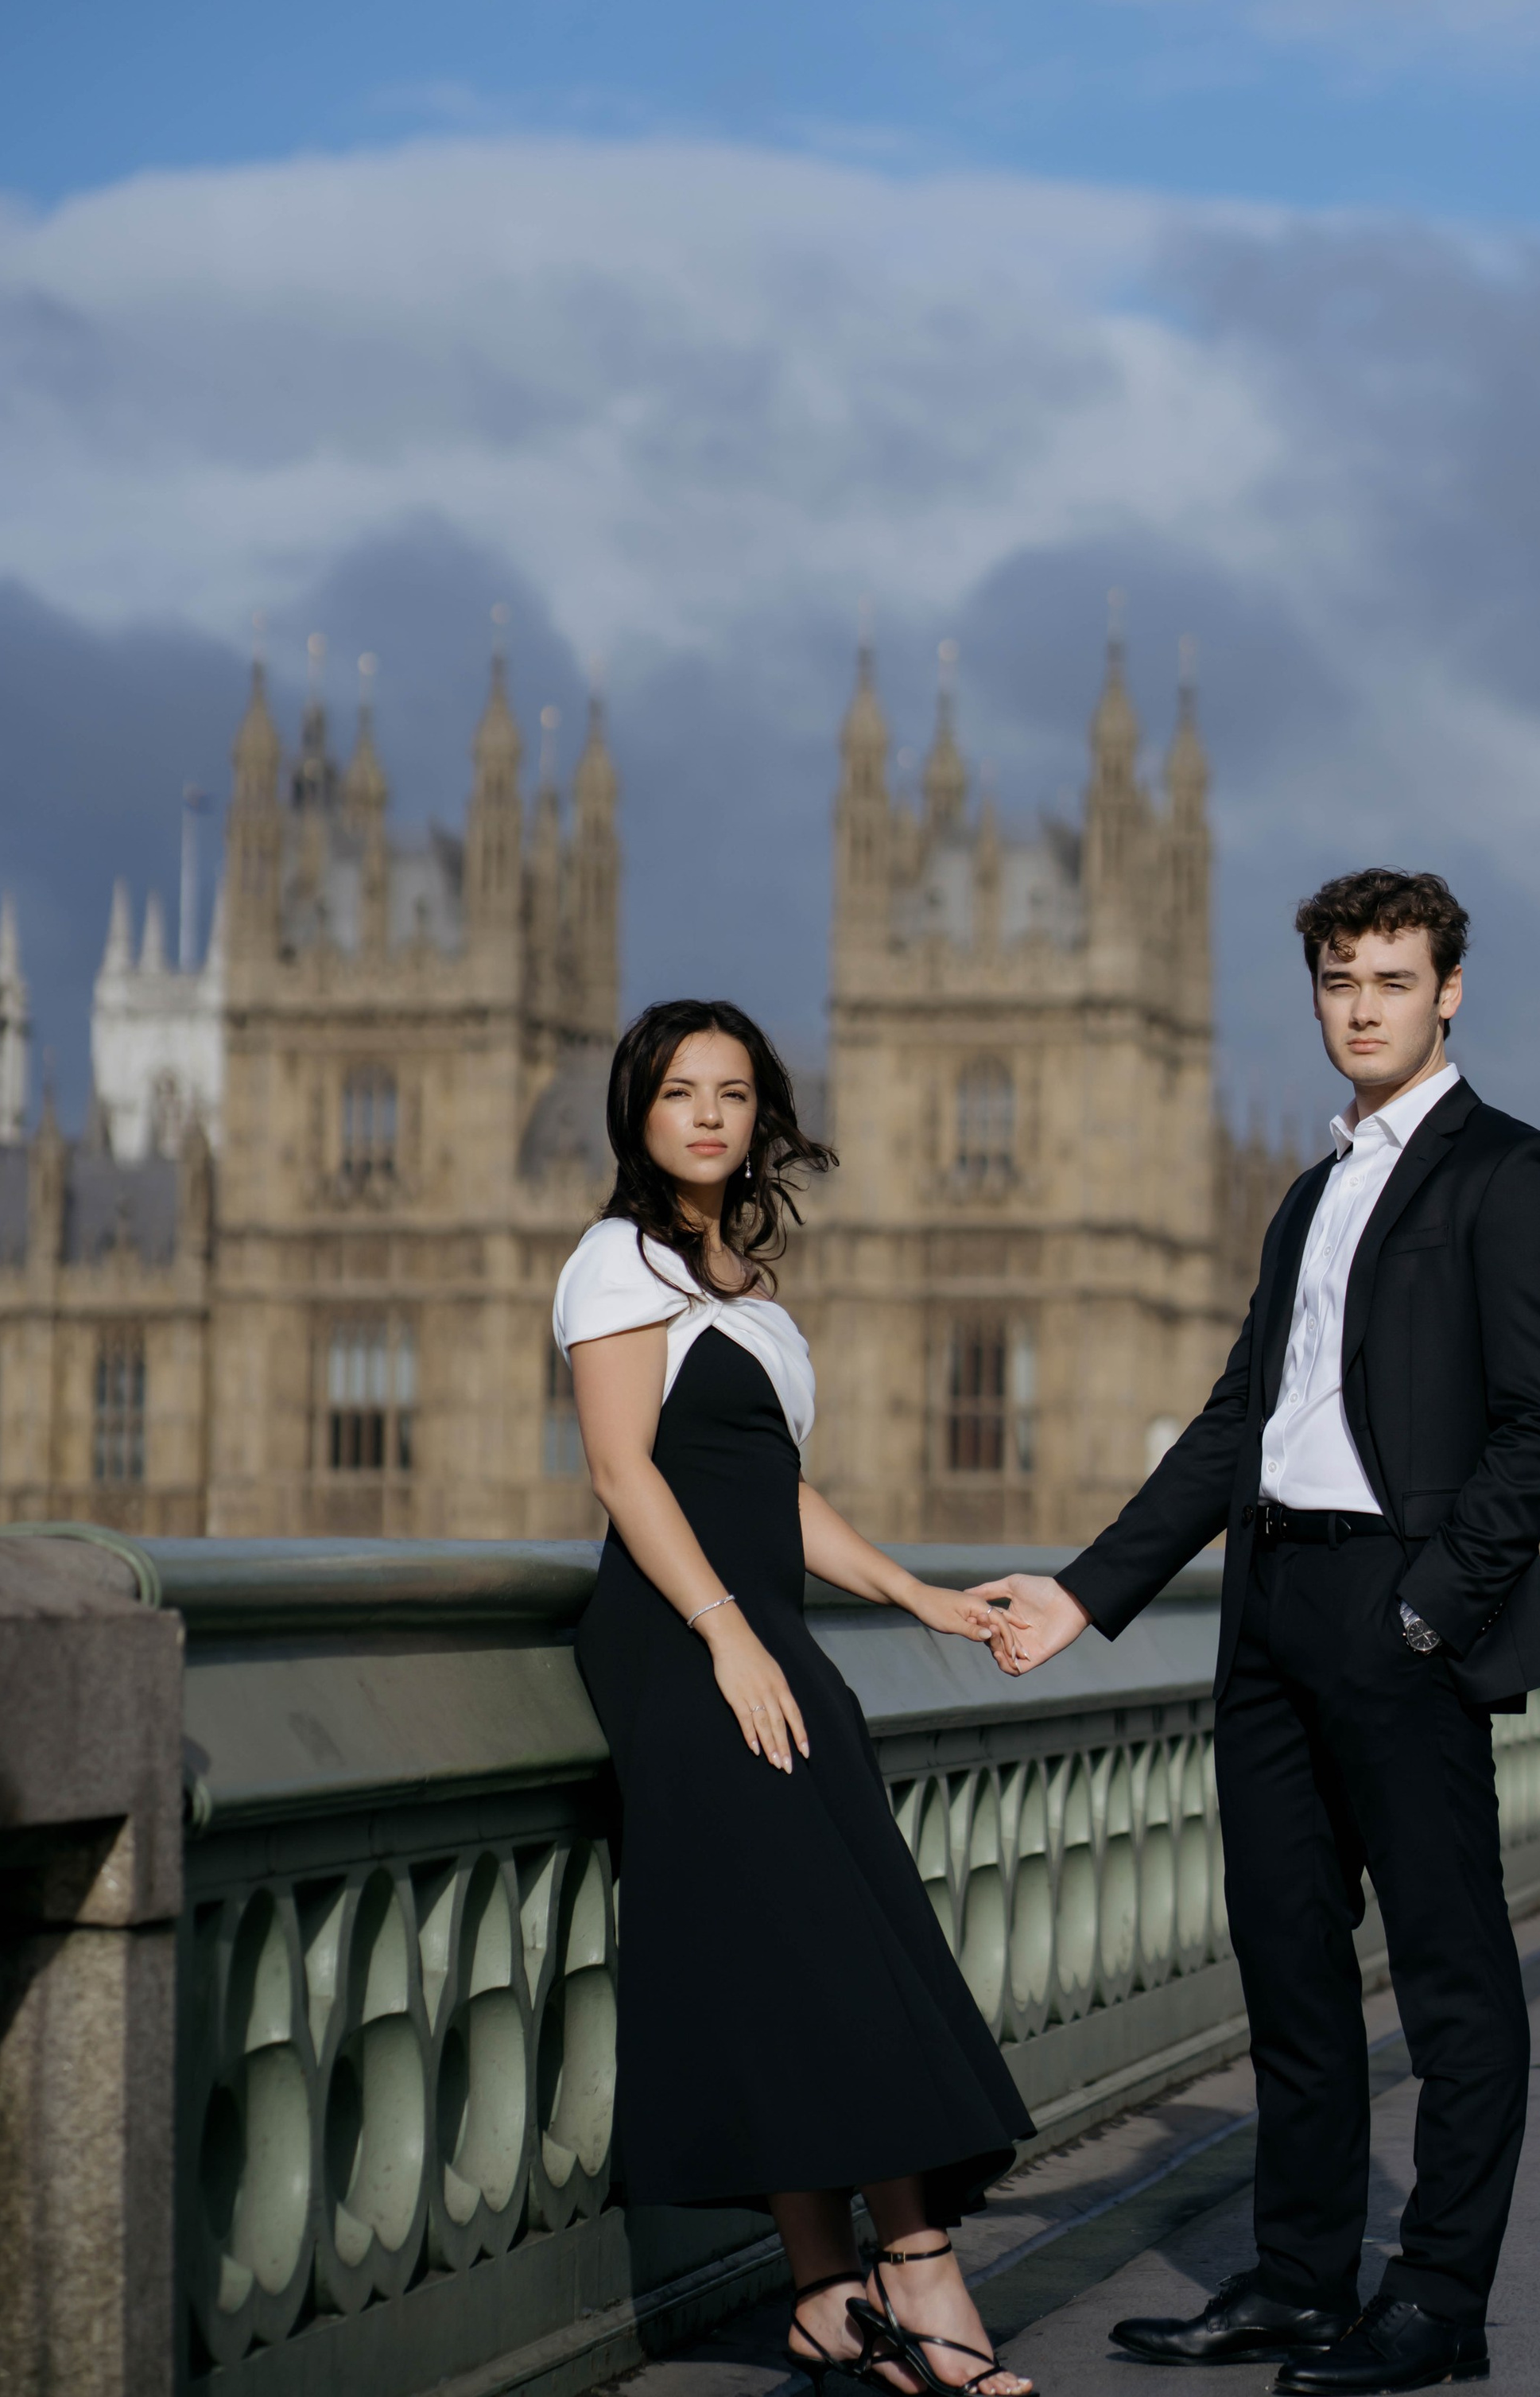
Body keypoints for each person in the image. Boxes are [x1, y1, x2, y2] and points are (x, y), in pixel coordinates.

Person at [976, 871, 1540, 2396]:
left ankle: (1438, 2299)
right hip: (1269, 1610)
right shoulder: (1310, 1195)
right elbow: (1235, 1425)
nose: (1364, 1006)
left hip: (1398, 1611)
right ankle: (1305, 2282)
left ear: (1450, 990)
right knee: (1291, 1972)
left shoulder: (1516, 1173)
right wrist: (1085, 1590)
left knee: (1453, 1980)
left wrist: (1425, 1609)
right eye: (1340, 983)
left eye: (1392, 980)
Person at [557, 999, 1038, 2397]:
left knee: (804, 1949)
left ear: (761, 1116)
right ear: (636, 1114)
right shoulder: (615, 1263)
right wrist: (722, 1634)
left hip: (761, 1636)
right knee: (839, 1954)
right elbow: (622, 1472)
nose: (710, 1115)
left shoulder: (747, 1290)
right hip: (681, 1642)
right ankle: (924, 2267)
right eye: (679, 1092)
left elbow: (781, 1499)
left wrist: (924, 1597)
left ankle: (827, 2297)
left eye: (734, 1092)